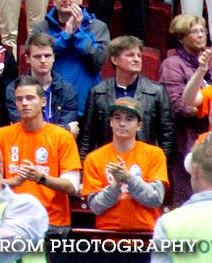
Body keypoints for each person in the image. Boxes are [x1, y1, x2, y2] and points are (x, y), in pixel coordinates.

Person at [0, 77, 82, 231]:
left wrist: (40, 178)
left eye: (30, 98)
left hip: (52, 222)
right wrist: (15, 181)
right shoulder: (1, 136)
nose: (24, 103)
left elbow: (72, 186)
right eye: (19, 99)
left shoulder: (61, 136)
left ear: (43, 102)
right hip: (11, 222)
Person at [79, 35, 175, 164]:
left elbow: (167, 136)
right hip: (107, 163)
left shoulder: (156, 91)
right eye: (130, 55)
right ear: (114, 59)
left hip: (144, 165)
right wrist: (83, 170)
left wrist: (160, 167)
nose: (137, 60)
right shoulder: (98, 92)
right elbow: (87, 136)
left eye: (139, 56)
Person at [82, 97, 169, 231]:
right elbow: (95, 207)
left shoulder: (155, 154)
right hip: (107, 237)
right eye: (117, 118)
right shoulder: (94, 158)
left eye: (129, 119)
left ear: (139, 125)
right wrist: (116, 185)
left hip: (145, 236)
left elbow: (155, 199)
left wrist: (128, 178)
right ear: (111, 122)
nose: (122, 123)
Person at [28, 0, 108, 116]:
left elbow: (99, 60)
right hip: (49, 106)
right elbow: (35, 58)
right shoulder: (41, 29)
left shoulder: (97, 27)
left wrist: (78, 34)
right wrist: (66, 35)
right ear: (53, 0)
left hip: (87, 106)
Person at [160, 14, 209, 204]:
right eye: (194, 31)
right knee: (189, 199)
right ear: (181, 37)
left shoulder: (210, 59)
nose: (200, 35)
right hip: (187, 141)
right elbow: (180, 106)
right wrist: (207, 109)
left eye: (202, 31)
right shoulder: (172, 65)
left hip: (209, 136)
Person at [6, 33, 80, 134]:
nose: (43, 60)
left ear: (54, 57)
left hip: (57, 148)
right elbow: (23, 127)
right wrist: (66, 128)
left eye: (47, 56)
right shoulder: (14, 89)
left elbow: (65, 136)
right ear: (27, 58)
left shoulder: (67, 90)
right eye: (37, 56)